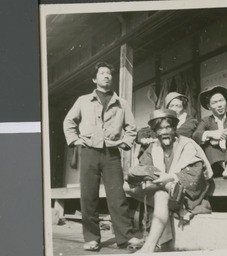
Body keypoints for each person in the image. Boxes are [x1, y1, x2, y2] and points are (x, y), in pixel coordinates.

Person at [63, 62, 142, 251]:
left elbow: (131, 127)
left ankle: (126, 238)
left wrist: (125, 142)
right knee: (88, 196)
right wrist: (74, 140)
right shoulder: (83, 100)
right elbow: (69, 121)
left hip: (112, 153)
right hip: (89, 151)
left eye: (109, 73)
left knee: (117, 196)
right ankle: (91, 238)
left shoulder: (121, 103)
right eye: (102, 73)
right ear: (94, 78)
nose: (106, 76)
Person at [124, 109, 213, 253]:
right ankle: (167, 207)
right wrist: (146, 176)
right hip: (166, 191)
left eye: (168, 127)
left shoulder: (187, 145)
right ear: (155, 131)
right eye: (160, 128)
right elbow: (141, 168)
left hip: (186, 195)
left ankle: (148, 248)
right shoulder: (154, 147)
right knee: (127, 186)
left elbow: (195, 176)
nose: (164, 132)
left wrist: (170, 178)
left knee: (161, 195)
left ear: (174, 128)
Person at [193, 85, 227, 178]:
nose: (219, 105)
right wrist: (212, 134)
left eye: (221, 100)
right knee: (207, 142)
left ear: (226, 102)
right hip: (217, 167)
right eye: (214, 102)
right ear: (209, 106)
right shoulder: (206, 121)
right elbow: (196, 135)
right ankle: (226, 168)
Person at [136, 92, 198, 157]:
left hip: (180, 151)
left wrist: (154, 138)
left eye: (178, 106)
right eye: (171, 106)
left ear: (184, 108)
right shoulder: (164, 120)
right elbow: (146, 131)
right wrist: (145, 139)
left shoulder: (190, 120)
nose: (174, 109)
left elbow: (178, 133)